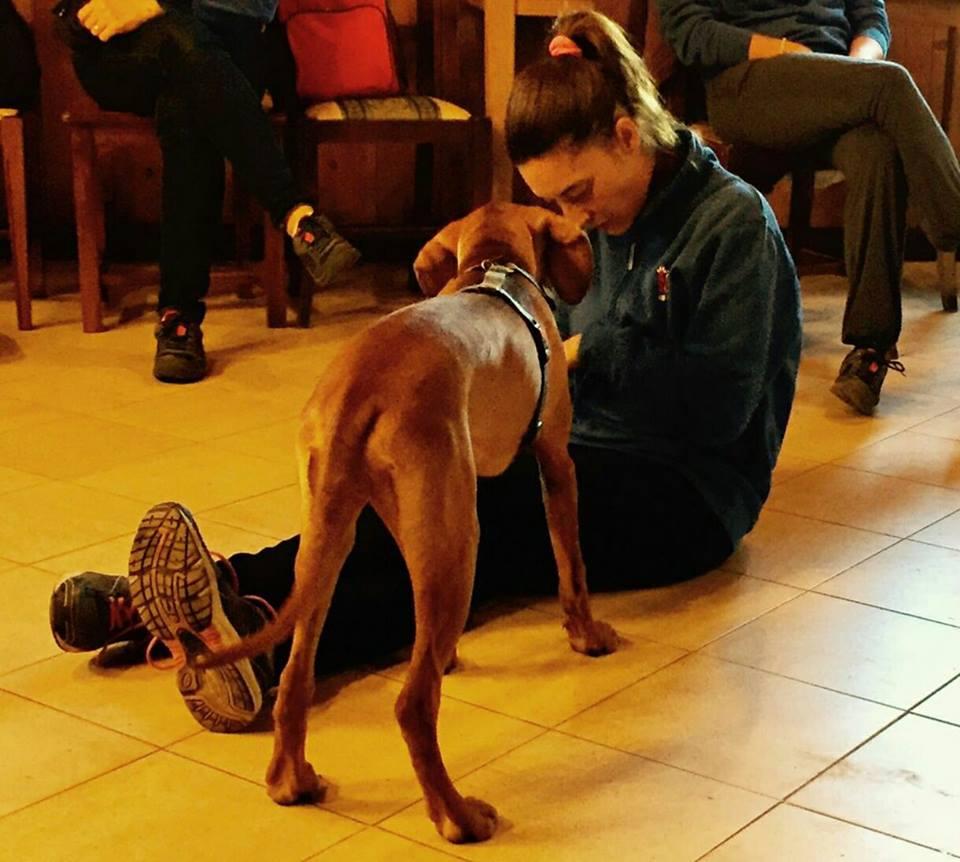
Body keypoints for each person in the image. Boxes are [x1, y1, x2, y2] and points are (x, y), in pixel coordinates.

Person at [49, 10, 802, 733]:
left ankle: (258, 637)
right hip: (577, 445)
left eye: (577, 194)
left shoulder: (731, 223)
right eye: (552, 202)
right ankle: (207, 602)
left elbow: (720, 412)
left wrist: (581, 359)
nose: (574, 219)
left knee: (472, 519)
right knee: (397, 479)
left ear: (628, 136)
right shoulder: (597, 219)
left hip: (689, 491)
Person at [656, 0, 960, 415]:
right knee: (892, 84)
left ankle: (870, 349)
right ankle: (955, 231)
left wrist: (860, 65)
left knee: (876, 150)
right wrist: (781, 50)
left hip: (836, 83)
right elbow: (689, 31)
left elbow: (870, 16)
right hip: (747, 80)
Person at [56, 0, 360, 383]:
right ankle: (294, 212)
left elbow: (258, 6)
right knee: (182, 46)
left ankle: (177, 318)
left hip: (225, 51)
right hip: (122, 51)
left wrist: (155, 4)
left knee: (188, 98)